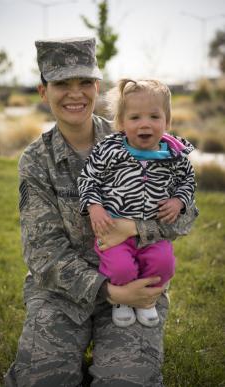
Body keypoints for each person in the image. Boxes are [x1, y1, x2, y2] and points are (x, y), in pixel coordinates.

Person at [4, 37, 198, 387]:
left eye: (84, 83)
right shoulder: (35, 161)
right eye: (62, 83)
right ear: (43, 91)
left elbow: (186, 216)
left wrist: (134, 228)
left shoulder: (137, 132)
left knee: (125, 382)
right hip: (63, 293)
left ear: (97, 87)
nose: (74, 94)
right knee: (42, 381)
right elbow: (43, 252)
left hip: (136, 285)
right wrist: (108, 291)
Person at [78, 79, 197, 329]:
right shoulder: (109, 151)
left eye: (154, 116)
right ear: (121, 123)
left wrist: (179, 200)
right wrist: (94, 206)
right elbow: (87, 177)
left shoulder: (174, 156)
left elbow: (188, 181)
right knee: (120, 267)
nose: (145, 124)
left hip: (153, 234)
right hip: (114, 234)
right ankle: (121, 300)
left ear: (167, 121)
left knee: (164, 263)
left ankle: (146, 300)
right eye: (135, 118)